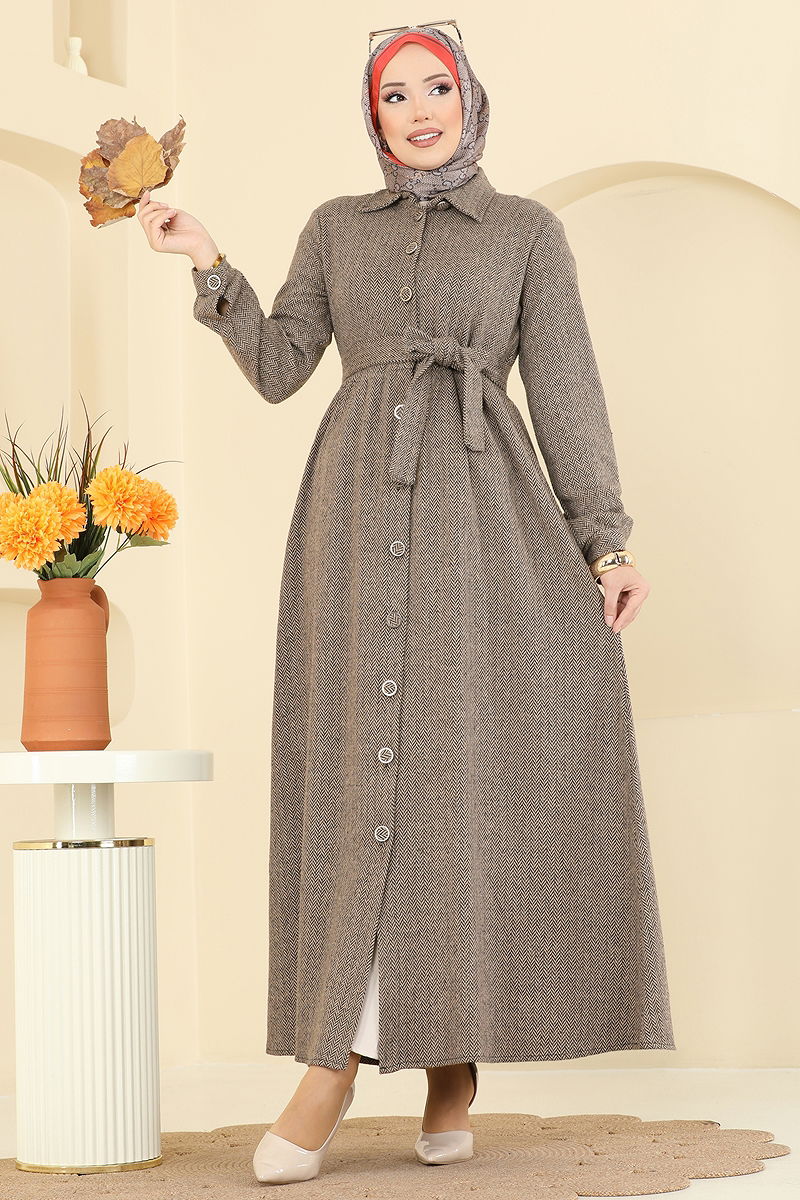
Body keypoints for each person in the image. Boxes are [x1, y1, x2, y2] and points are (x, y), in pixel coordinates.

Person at [137, 21, 675, 1186]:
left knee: (456, 783)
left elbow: (566, 390)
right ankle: (335, 1059)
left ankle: (447, 1058)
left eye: (438, 87)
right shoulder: (335, 227)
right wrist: (206, 261)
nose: (419, 108)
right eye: (395, 93)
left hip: (484, 522)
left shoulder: (526, 233)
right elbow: (280, 366)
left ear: (470, 99)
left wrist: (606, 543)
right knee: (361, 778)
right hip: (351, 524)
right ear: (370, 113)